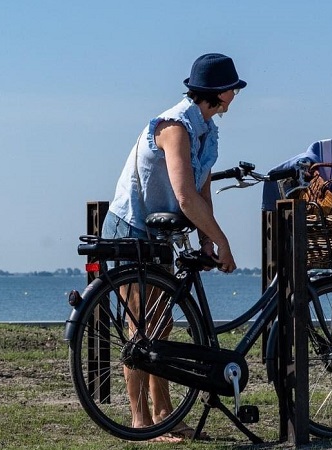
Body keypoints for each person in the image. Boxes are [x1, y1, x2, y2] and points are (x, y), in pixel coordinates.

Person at [100, 52, 245, 439]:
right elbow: (184, 197)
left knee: (160, 327)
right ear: (218, 92)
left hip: (160, 232)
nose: (236, 95)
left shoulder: (207, 129)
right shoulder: (175, 127)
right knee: (142, 331)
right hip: (131, 228)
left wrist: (207, 239)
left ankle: (165, 417)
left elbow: (202, 190)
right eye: (233, 88)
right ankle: (140, 420)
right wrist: (224, 241)